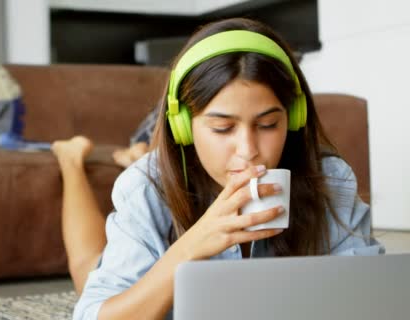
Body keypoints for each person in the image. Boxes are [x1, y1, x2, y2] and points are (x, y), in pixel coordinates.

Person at [52, 17, 385, 320]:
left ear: (294, 118)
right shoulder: (143, 188)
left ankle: (135, 151)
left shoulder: (329, 179)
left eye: (268, 124)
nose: (249, 151)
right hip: (145, 196)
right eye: (223, 129)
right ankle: (70, 160)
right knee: (87, 268)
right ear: (184, 128)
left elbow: (376, 294)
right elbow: (94, 313)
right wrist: (189, 249)